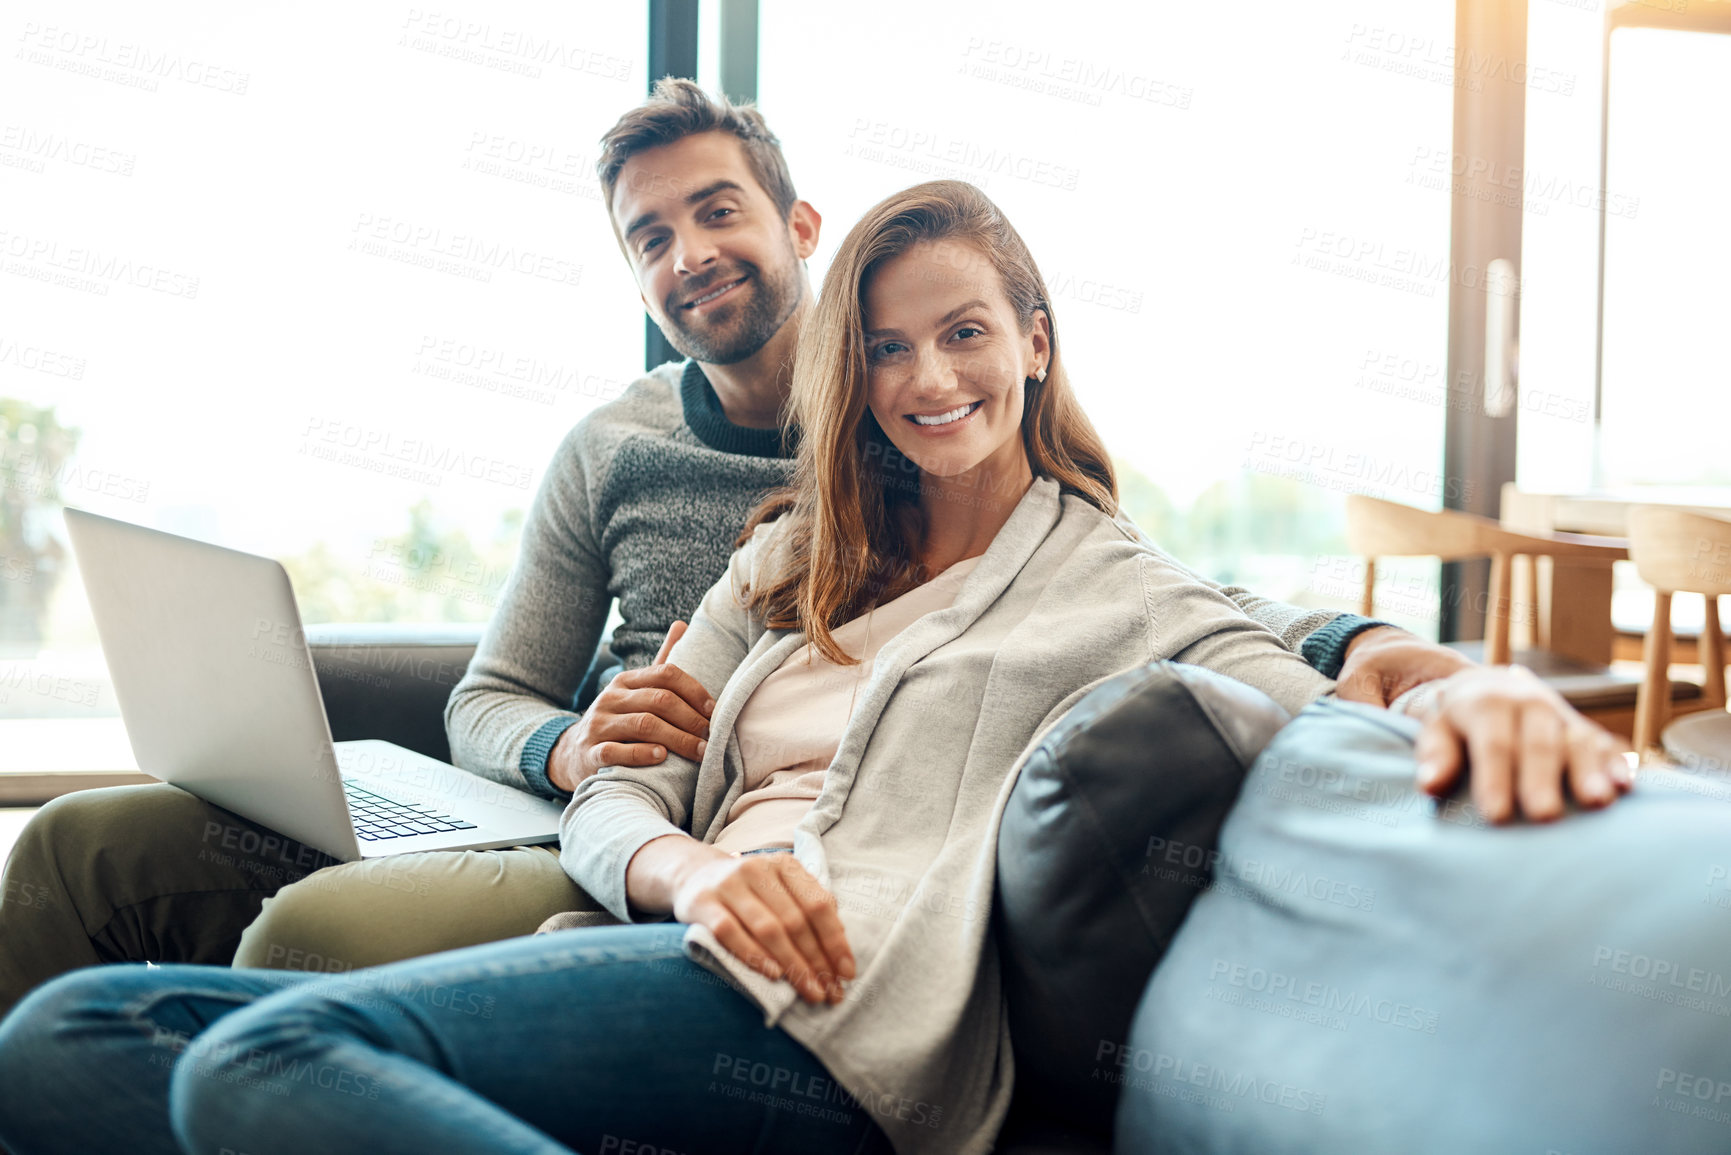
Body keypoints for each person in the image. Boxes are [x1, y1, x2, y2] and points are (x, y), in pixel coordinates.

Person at [0, 180, 1632, 1155]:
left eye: (970, 330)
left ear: (1035, 341)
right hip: (685, 938)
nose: (932, 378)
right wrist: (681, 867)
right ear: (853, 375)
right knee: (64, 1036)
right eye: (896, 346)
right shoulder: (790, 561)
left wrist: (1462, 678)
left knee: (270, 1054)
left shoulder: (1112, 581)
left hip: (836, 1025)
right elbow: (625, 774)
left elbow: (1293, 656)